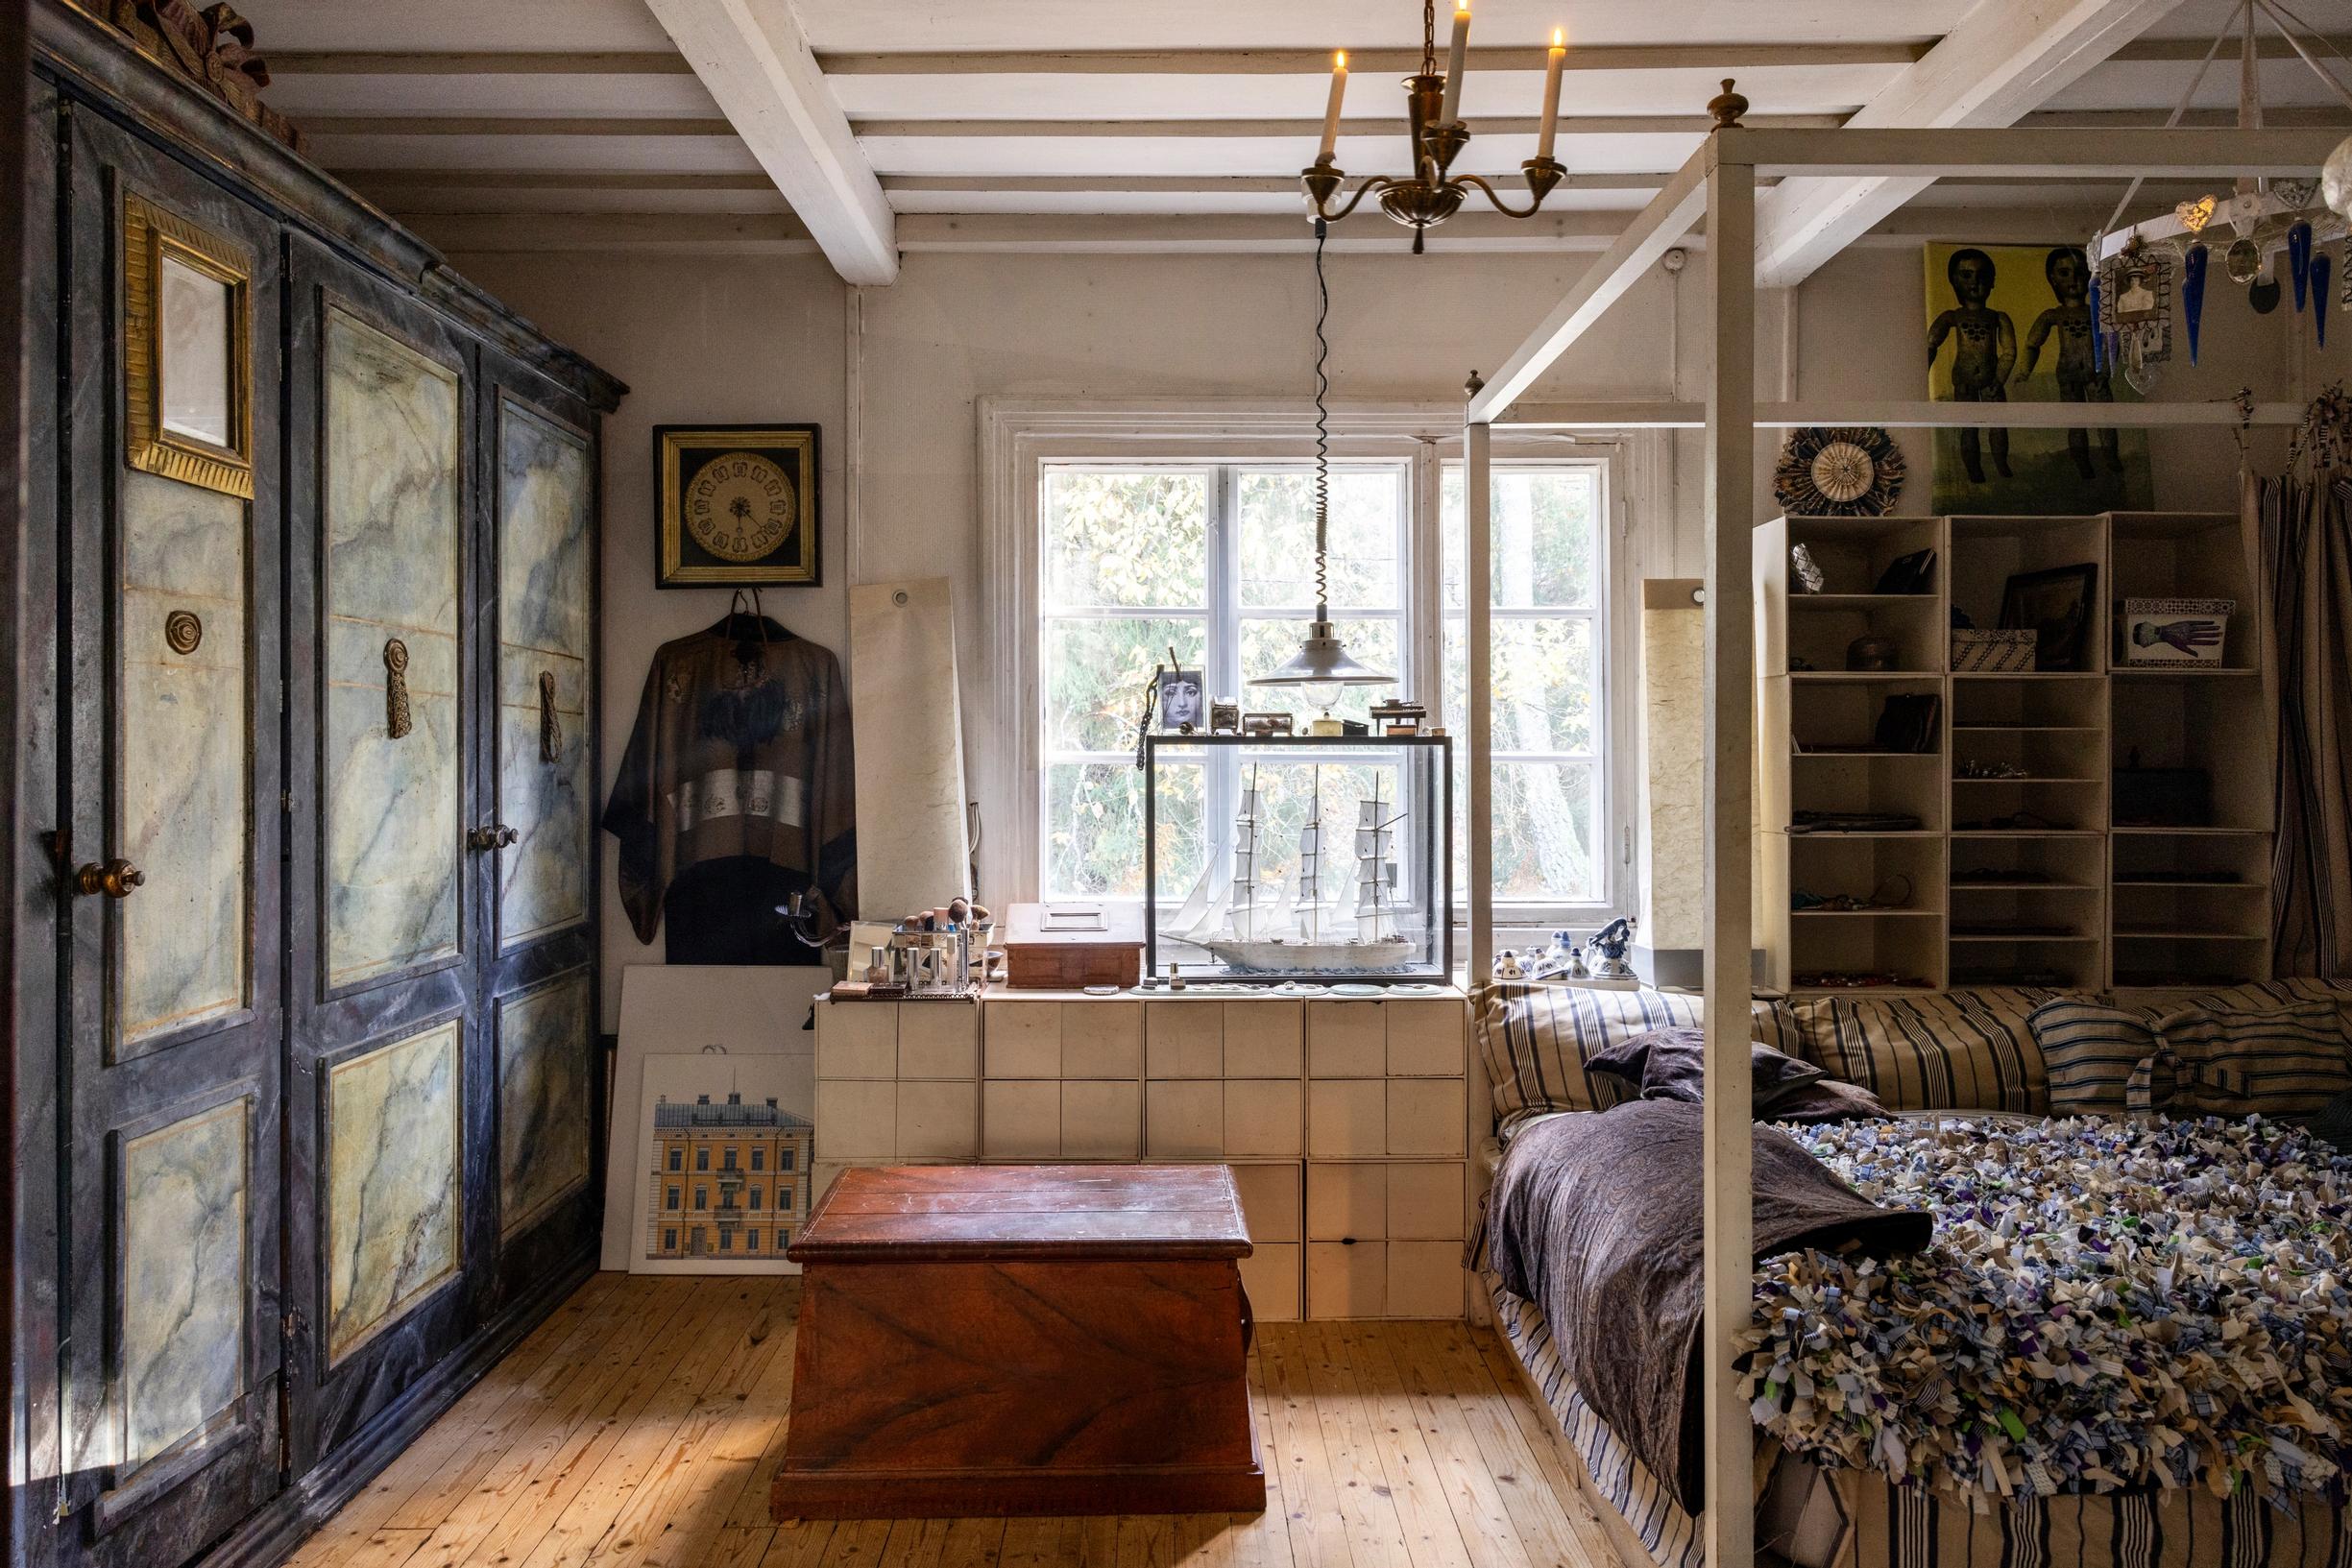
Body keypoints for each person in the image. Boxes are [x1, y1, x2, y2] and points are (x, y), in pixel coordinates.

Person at [2015, 245, 2122, 481]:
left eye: (2079, 272)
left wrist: (2106, 370)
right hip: (2068, 374)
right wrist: (2024, 371)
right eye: (2064, 274)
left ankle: (2111, 458)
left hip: (2097, 374)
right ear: (2053, 279)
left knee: (2106, 420)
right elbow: (2033, 344)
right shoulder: (2053, 315)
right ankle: (2082, 464)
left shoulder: (2098, 312)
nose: (2073, 279)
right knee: (2075, 423)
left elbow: (2113, 343)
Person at [1928, 247, 2016, 484]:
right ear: (1954, 282)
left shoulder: (1998, 317)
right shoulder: (1952, 316)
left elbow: (2009, 351)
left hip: (1992, 380)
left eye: (1982, 275)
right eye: (1966, 275)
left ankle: (2000, 463)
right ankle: (1973, 470)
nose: (1975, 282)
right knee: (1969, 428)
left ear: (1992, 281)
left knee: (1998, 426)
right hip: (1964, 381)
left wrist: (1999, 379)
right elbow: (1931, 344)